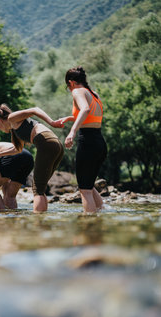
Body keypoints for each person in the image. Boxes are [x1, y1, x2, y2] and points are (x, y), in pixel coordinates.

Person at [53, 66, 107, 213]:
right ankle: (101, 217)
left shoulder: (77, 91)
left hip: (88, 142)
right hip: (99, 142)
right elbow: (92, 118)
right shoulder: (94, 94)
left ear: (71, 82)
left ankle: (88, 226)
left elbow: (85, 110)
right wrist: (70, 118)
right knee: (88, 185)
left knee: (84, 189)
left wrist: (72, 131)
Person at [0, 104, 64, 212]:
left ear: (0, 121)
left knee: (37, 189)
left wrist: (52, 122)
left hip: (46, 143)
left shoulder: (12, 118)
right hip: (56, 145)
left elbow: (35, 109)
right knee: (40, 187)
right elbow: (17, 150)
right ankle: (43, 217)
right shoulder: (15, 130)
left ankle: (38, 220)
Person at [0, 135, 34, 209]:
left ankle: (3, 214)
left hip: (13, 154)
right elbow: (5, 182)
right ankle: (11, 217)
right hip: (28, 157)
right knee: (9, 195)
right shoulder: (1, 163)